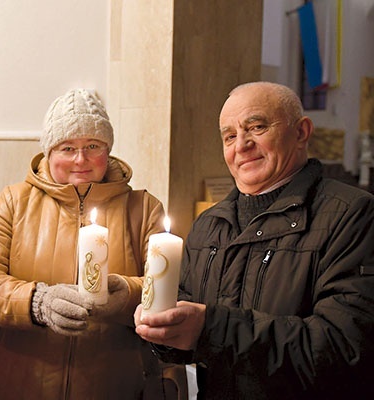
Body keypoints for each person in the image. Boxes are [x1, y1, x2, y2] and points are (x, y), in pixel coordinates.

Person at [134, 81, 374, 399]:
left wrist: (210, 329)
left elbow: (343, 346)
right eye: (229, 136)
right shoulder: (209, 224)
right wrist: (163, 332)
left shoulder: (351, 214)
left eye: (257, 127)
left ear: (301, 132)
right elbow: (188, 328)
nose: (241, 145)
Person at [0, 88, 175, 399]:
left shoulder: (144, 208)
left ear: (107, 150)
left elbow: (165, 289)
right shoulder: (14, 202)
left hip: (113, 385)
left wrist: (124, 296)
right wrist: (37, 302)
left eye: (92, 146)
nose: (81, 159)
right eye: (67, 147)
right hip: (18, 383)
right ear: (49, 152)